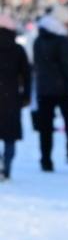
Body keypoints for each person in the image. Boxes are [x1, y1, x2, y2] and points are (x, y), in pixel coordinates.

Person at [32, 6, 68, 171]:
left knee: (45, 127)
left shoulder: (38, 40)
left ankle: (46, 160)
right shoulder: (62, 40)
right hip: (64, 89)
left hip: (44, 89)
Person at [0, 13, 31, 181]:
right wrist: (26, 95)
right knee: (9, 137)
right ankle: (7, 168)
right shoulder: (18, 50)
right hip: (11, 97)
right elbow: (27, 75)